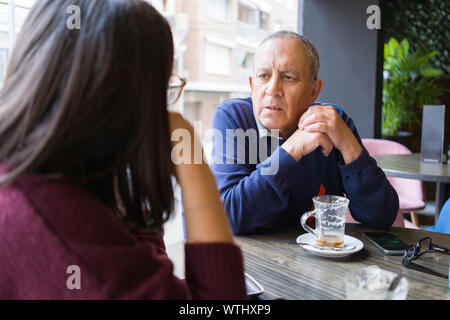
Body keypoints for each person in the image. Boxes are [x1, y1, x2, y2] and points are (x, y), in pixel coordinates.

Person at [0, 0, 246, 299]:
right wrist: (188, 151)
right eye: (158, 92)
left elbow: (141, 263)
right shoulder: (66, 234)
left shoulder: (39, 180)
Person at [211, 31, 399, 235]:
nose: (273, 89)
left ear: (313, 91)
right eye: (263, 76)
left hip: (318, 262)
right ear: (251, 84)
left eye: (288, 77)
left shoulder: (333, 122)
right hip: (251, 263)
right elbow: (227, 218)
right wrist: (293, 149)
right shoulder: (233, 117)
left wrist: (349, 146)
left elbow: (381, 216)